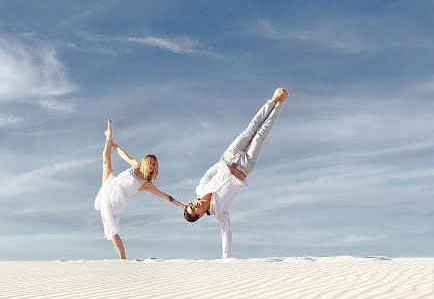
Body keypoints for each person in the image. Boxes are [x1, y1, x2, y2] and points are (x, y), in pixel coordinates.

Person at [184, 88, 289, 258]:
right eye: (194, 211)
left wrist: (220, 163)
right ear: (201, 215)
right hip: (245, 166)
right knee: (261, 135)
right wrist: (227, 259)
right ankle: (279, 104)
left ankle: (272, 100)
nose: (194, 206)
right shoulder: (221, 212)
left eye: (190, 205)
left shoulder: (200, 189)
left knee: (251, 128)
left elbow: (210, 172)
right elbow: (226, 234)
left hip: (230, 156)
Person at [94, 120, 186, 259]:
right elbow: (125, 156)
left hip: (116, 199)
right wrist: (115, 145)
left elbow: (164, 196)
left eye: (153, 164)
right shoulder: (135, 165)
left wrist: (182, 205)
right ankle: (109, 138)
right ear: (144, 162)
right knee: (106, 162)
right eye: (149, 162)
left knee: (112, 229)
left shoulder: (146, 184)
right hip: (112, 183)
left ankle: (122, 258)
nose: (151, 165)